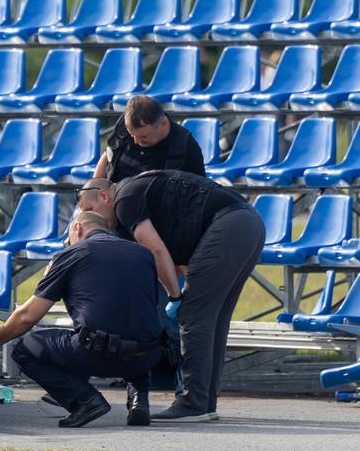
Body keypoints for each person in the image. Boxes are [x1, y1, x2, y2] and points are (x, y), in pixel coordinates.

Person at [79, 170, 264, 422]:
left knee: (193, 316)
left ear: (104, 195)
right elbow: (173, 259)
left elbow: (155, 251)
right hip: (247, 223)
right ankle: (205, 402)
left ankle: (192, 403)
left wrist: (175, 297)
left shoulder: (124, 199)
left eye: (90, 208)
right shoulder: (129, 207)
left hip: (230, 225)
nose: (90, 217)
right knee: (212, 319)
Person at [0, 210, 166, 428]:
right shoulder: (143, 254)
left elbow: (28, 317)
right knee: (134, 328)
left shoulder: (73, 254)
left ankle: (84, 400)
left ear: (78, 228)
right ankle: (139, 400)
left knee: (27, 348)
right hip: (147, 356)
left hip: (95, 354)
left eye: (68, 240)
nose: (68, 243)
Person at [94, 96, 206, 183]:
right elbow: (108, 155)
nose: (136, 141)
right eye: (132, 135)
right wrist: (94, 188)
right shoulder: (124, 126)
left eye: (143, 137)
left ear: (163, 123)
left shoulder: (186, 147)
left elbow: (200, 191)